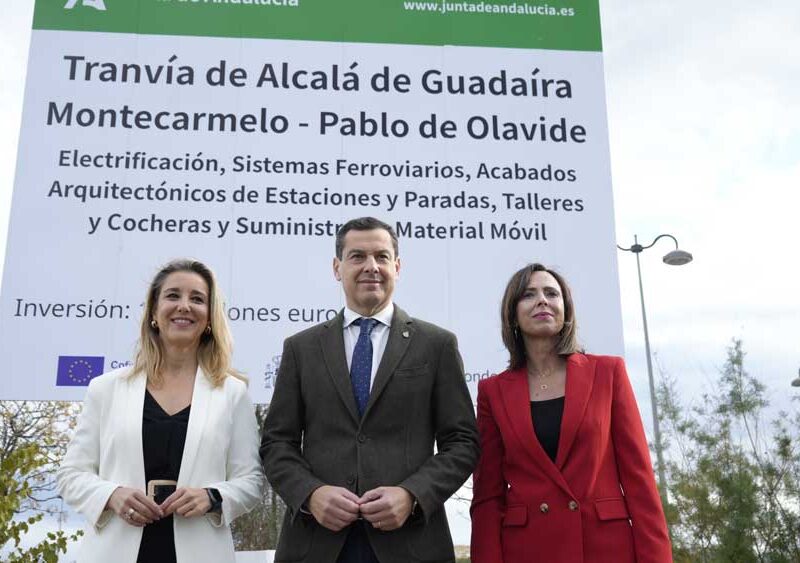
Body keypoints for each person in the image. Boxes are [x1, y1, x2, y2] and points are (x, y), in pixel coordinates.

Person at [261, 216, 479, 563]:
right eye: (358, 256)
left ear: (397, 266)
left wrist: (412, 495)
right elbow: (276, 443)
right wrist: (311, 494)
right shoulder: (301, 349)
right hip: (317, 543)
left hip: (410, 543)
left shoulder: (436, 345)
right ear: (337, 268)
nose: (371, 266)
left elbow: (462, 442)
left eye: (381, 256)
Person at [58, 259, 264, 563]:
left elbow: (251, 481)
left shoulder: (232, 393)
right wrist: (112, 495)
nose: (184, 306)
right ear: (154, 312)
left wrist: (212, 497)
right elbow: (71, 475)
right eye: (173, 295)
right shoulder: (105, 388)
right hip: (113, 552)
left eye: (197, 299)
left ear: (209, 317)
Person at [470, 263, 672, 563]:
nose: (542, 300)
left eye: (552, 293)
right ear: (512, 314)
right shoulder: (492, 391)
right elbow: (488, 497)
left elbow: (639, 482)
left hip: (606, 550)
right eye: (528, 294)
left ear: (566, 310)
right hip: (529, 550)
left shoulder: (608, 372)